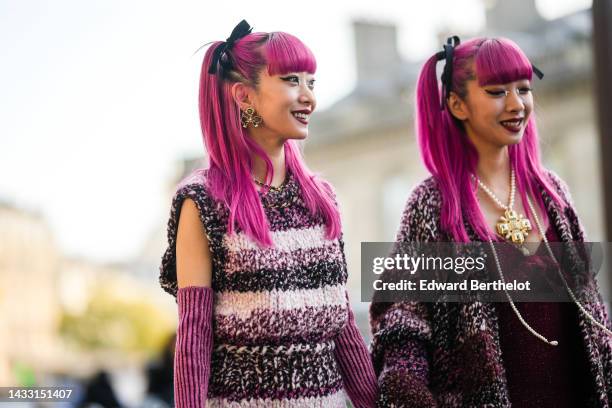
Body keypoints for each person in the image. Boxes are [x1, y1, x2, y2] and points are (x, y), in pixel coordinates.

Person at [370, 36, 612, 407]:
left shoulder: (553, 193)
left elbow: (593, 318)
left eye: (524, 89)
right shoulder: (432, 204)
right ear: (457, 104)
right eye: (497, 91)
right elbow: (403, 326)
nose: (516, 104)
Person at [159, 20, 377, 407]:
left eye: (312, 82)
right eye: (292, 80)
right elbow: (194, 337)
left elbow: (343, 331)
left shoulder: (321, 199)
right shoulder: (203, 202)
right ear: (244, 95)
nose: (308, 96)